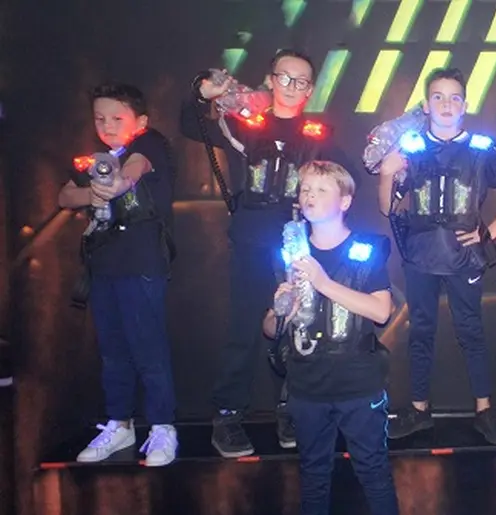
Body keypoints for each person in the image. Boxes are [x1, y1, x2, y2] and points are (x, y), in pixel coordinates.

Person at [180, 49, 357, 457]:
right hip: (251, 239)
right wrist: (205, 94)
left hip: (295, 245)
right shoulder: (247, 124)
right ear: (270, 79)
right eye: (284, 77)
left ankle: (291, 410)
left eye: (301, 81)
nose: (291, 86)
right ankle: (228, 415)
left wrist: (324, 212)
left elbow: (349, 181)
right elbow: (193, 125)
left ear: (310, 89)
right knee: (244, 327)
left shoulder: (318, 136)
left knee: (297, 327)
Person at [376, 67, 496, 444]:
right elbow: (387, 208)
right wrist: (387, 174)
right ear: (426, 105)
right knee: (421, 333)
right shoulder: (410, 149)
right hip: (420, 256)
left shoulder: (481, 150)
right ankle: (419, 411)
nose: (446, 104)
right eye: (438, 97)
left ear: (465, 105)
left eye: (454, 97)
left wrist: (487, 232)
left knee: (471, 331)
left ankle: (484, 411)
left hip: (463, 257)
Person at [262, 161, 398, 515]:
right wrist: (281, 311)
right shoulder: (290, 253)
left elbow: (381, 311)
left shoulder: (365, 248)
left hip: (358, 384)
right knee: (313, 474)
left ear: (345, 201)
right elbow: (269, 328)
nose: (310, 195)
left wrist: (323, 283)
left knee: (373, 472)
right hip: (307, 385)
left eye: (322, 189)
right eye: (305, 188)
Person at [59, 83, 178, 466]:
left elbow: (130, 173)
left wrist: (114, 185)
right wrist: (91, 194)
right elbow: (64, 195)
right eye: (100, 119)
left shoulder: (149, 144)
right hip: (103, 266)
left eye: (116, 118)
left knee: (149, 351)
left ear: (140, 121)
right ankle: (119, 423)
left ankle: (162, 427)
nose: (107, 126)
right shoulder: (98, 158)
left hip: (142, 265)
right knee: (113, 352)